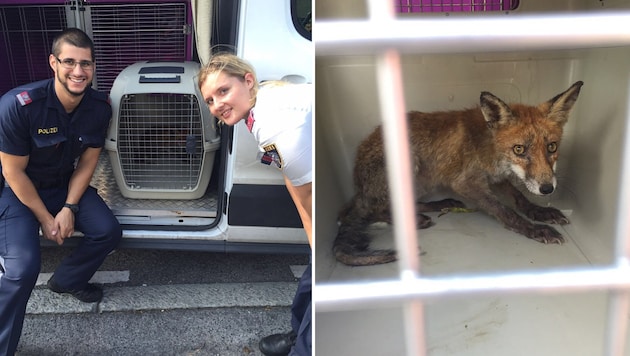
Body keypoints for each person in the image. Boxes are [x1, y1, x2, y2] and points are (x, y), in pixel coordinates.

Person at [0, 28, 122, 355]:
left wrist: (69, 206)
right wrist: (45, 217)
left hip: (64, 186)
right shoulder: (18, 105)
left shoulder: (99, 107)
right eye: (69, 62)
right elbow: (12, 171)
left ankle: (67, 281)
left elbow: (89, 160)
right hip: (21, 192)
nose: (78, 72)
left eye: (86, 64)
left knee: (107, 231)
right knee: (20, 271)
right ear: (53, 63)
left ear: (94, 67)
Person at [198, 53, 312, 356]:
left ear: (248, 80)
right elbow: (291, 175)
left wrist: (318, 245)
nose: (217, 105)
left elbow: (312, 200)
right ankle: (299, 331)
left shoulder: (273, 123)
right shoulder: (262, 103)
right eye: (210, 100)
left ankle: (307, 344)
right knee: (310, 284)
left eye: (223, 91)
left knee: (324, 276)